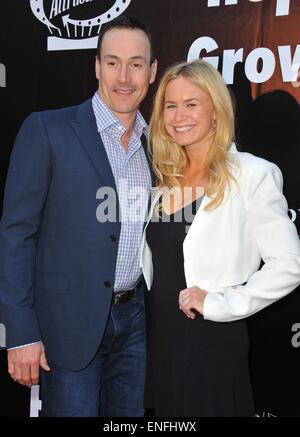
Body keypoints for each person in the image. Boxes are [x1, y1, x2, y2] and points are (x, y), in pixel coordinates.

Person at [0, 15, 157, 417]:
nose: (124, 76)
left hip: (136, 323)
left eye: (136, 63)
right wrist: (20, 334)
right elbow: (16, 235)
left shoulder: (157, 145)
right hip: (67, 326)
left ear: (152, 71)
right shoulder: (47, 130)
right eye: (112, 62)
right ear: (96, 66)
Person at [140, 59, 300, 417]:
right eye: (170, 105)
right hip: (162, 344)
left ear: (216, 111)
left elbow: (290, 265)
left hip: (210, 343)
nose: (179, 116)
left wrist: (223, 303)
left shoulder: (253, 174)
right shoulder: (163, 179)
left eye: (191, 104)